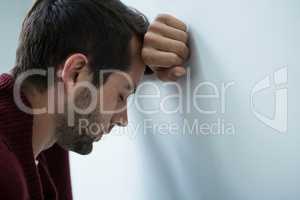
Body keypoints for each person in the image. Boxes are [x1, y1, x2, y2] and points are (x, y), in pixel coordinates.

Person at [0, 0, 189, 199]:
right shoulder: (5, 174)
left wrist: (146, 54)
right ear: (75, 73)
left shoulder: (47, 126)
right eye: (121, 96)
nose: (123, 119)